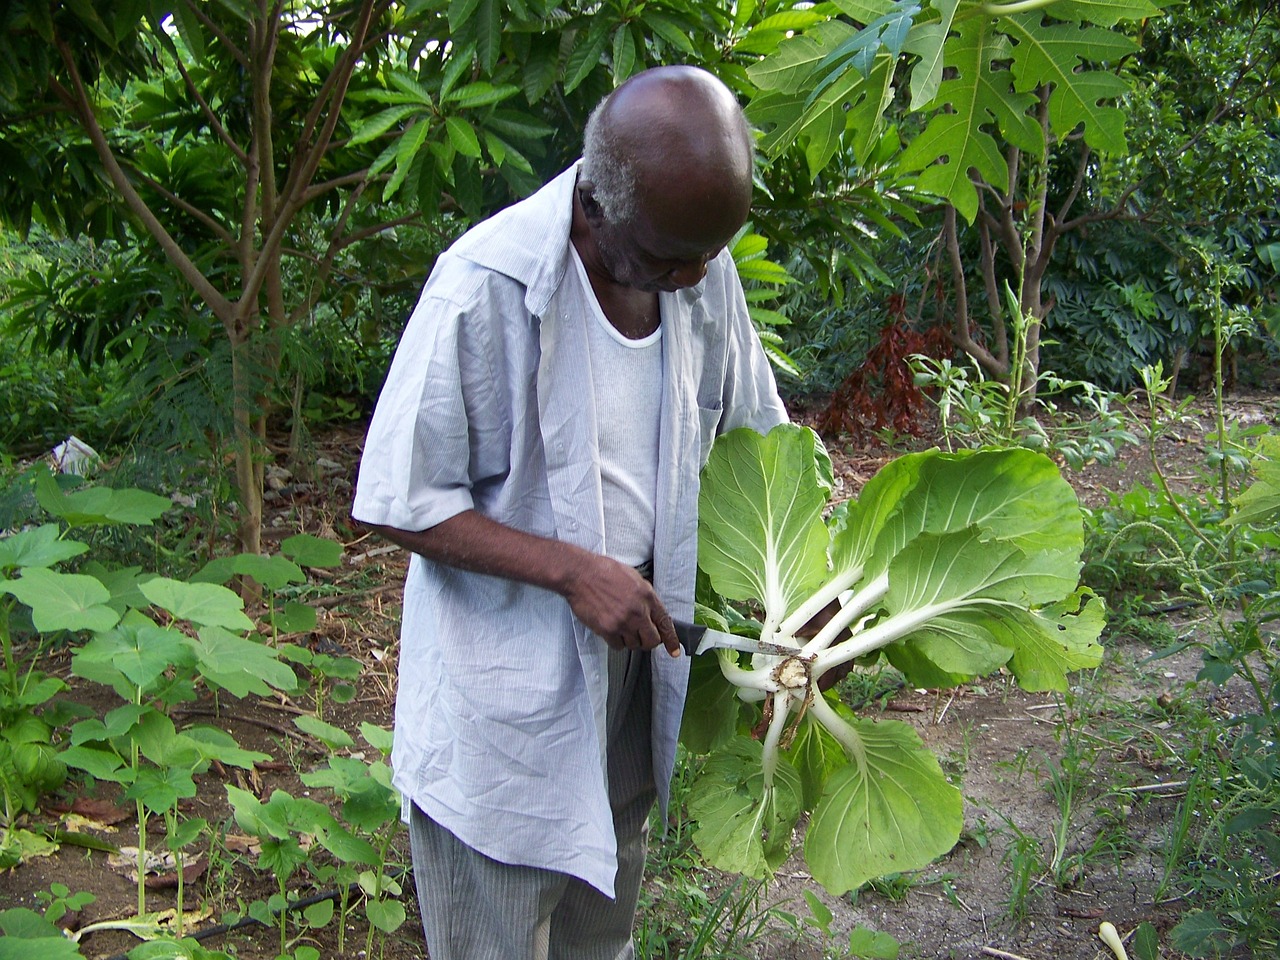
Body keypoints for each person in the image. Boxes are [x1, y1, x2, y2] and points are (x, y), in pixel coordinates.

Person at [351, 65, 788, 959]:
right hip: (503, 683)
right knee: (499, 929)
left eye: (710, 252)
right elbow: (397, 500)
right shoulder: (485, 285)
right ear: (595, 205)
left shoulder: (699, 272)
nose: (696, 276)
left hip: (634, 660)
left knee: (602, 921)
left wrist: (795, 601)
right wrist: (570, 569)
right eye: (672, 257)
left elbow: (760, 445)